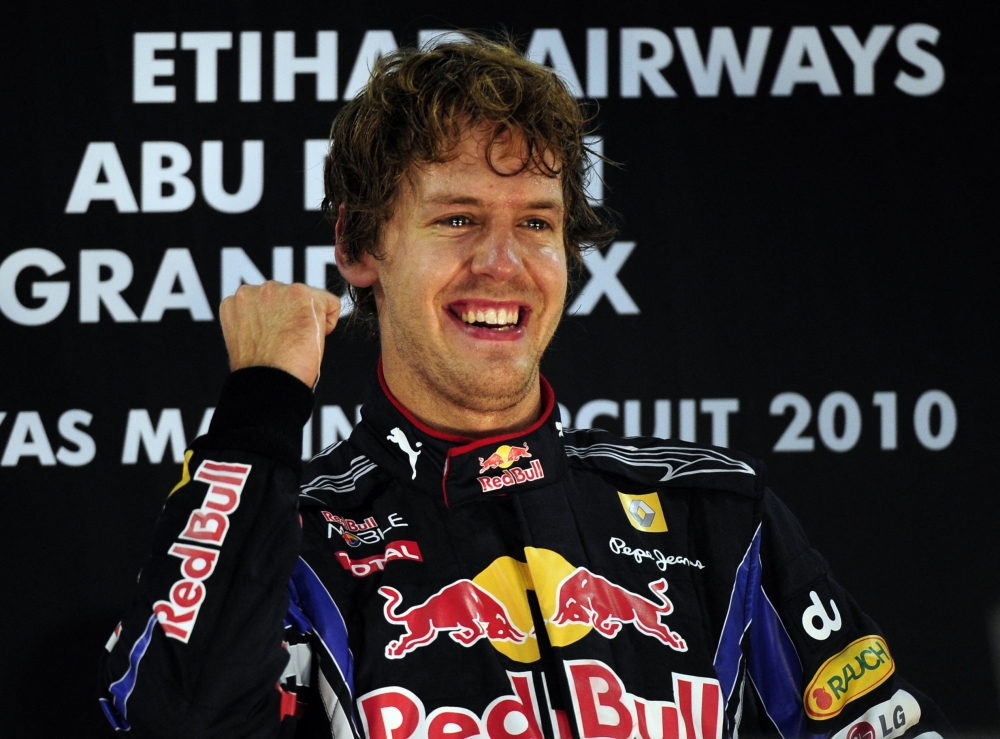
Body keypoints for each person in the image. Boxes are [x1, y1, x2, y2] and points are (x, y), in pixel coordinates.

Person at [98, 35, 950, 739]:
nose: (502, 265)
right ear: (360, 248)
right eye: (458, 218)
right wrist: (261, 406)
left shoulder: (716, 514)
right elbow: (170, 717)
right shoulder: (290, 535)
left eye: (536, 222)